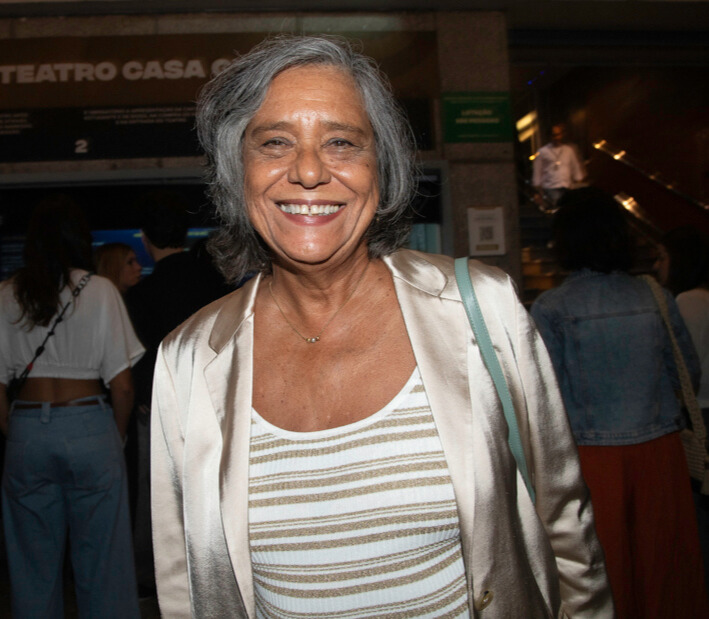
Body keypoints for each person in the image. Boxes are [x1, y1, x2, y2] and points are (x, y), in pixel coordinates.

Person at [151, 35, 612, 618]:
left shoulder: (480, 309)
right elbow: (185, 584)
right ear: (237, 171)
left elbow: (565, 527)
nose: (309, 171)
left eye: (341, 142)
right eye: (275, 142)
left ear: (381, 166)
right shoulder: (190, 359)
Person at [531, 188, 708, 618]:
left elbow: (544, 399)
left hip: (591, 458)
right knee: (663, 566)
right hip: (660, 451)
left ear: (566, 240)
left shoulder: (551, 307)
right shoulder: (654, 296)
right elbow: (687, 373)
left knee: (603, 569)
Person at [0, 194, 143, 618]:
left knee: (31, 562)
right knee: (103, 559)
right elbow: (123, 386)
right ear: (79, 239)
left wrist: (14, 428)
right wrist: (115, 435)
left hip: (27, 428)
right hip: (89, 424)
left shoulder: (6, 293)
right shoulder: (99, 290)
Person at [124, 190, 230, 596]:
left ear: (145, 239)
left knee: (157, 497)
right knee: (210, 493)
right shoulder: (213, 281)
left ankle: (156, 579)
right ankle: (213, 573)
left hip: (158, 407)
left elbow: (138, 357)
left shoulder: (140, 294)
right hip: (211, 402)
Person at [656, 225, 709, 594]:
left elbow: (682, 366)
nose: (657, 266)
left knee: (698, 509)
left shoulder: (687, 302)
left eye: (662, 258)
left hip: (699, 414)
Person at [532, 123, 585, 206]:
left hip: (567, 185)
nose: (557, 137)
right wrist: (537, 187)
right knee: (558, 205)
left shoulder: (568, 150)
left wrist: (578, 178)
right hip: (551, 186)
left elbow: (575, 166)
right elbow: (537, 169)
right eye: (554, 135)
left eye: (558, 134)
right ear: (550, 136)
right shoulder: (543, 151)